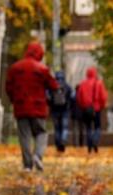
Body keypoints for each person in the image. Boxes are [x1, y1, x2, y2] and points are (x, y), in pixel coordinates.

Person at [5, 42, 58, 171]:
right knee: (41, 133)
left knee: (25, 136)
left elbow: (8, 87)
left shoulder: (15, 68)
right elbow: (54, 86)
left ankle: (27, 165)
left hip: (21, 107)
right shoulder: (42, 69)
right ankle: (38, 156)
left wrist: (14, 100)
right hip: (38, 107)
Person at [76, 67, 108, 153]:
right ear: (95, 73)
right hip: (96, 108)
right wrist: (102, 106)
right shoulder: (99, 83)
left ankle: (89, 145)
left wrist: (83, 106)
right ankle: (95, 140)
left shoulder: (83, 84)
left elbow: (79, 97)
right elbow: (103, 97)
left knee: (88, 127)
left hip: (86, 109)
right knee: (97, 127)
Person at [47, 71, 73, 152]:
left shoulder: (52, 86)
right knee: (64, 127)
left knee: (57, 128)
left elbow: (48, 98)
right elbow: (72, 97)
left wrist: (51, 106)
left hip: (54, 111)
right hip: (65, 110)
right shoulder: (67, 87)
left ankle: (58, 144)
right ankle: (63, 140)